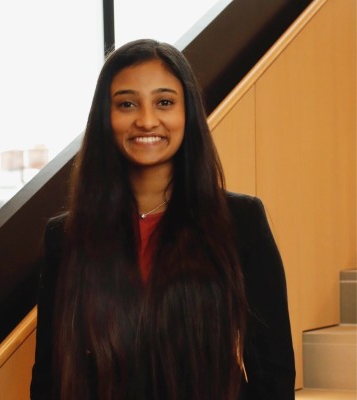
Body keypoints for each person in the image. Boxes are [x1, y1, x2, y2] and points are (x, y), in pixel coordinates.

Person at [30, 39, 295, 400]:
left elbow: (273, 371)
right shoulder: (66, 236)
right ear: (105, 118)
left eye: (164, 102)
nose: (146, 120)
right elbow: (50, 376)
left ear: (188, 114)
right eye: (127, 104)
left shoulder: (240, 221)